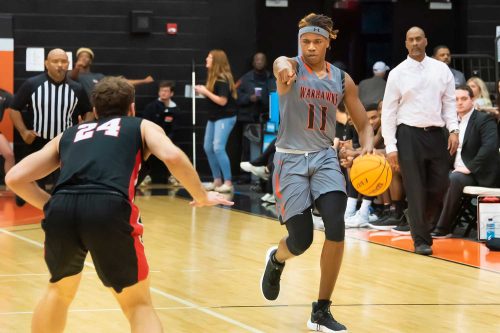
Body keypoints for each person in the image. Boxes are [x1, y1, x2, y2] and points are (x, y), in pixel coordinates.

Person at [5, 76, 233, 333]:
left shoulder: (69, 133)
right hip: (109, 206)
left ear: (95, 110)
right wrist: (201, 196)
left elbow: (14, 178)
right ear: (132, 107)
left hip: (62, 209)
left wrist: (50, 205)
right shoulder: (141, 125)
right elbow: (171, 155)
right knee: (138, 305)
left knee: (58, 290)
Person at [260, 13, 374, 332]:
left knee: (336, 225)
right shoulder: (291, 66)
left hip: (324, 157)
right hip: (290, 161)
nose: (310, 47)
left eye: (316, 42)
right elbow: (281, 64)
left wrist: (366, 147)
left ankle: (321, 310)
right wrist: (283, 69)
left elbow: (364, 124)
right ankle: (278, 258)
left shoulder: (341, 79)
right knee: (301, 240)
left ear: (327, 42)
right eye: (305, 41)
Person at [382, 27, 459, 256]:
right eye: (410, 40)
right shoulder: (397, 73)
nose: (415, 43)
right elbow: (388, 112)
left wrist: (454, 129)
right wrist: (390, 146)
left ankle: (415, 219)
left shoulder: (441, 69)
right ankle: (421, 240)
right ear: (406, 44)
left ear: (425, 41)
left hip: (437, 134)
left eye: (418, 39)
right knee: (415, 189)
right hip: (408, 134)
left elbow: (449, 103)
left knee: (440, 186)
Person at [10, 49, 92, 204]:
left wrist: (83, 130)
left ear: (68, 64)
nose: (60, 65)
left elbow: (88, 111)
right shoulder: (32, 84)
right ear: (46, 64)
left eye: (64, 61)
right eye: (55, 61)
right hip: (37, 143)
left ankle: (57, 214)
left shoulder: (77, 88)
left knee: (62, 188)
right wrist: (23, 132)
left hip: (65, 144)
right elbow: (14, 109)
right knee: (27, 194)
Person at [431, 85, 499, 238]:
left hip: (479, 173)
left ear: (472, 100)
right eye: (455, 99)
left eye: (463, 99)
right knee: (433, 176)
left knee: (453, 178)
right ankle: (426, 223)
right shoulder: (450, 123)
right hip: (455, 170)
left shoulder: (484, 119)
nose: (459, 103)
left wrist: (470, 167)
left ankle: (443, 228)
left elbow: (490, 147)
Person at [195, 49, 238, 193]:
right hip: (214, 117)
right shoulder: (213, 78)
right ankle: (217, 181)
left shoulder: (222, 79)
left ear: (216, 61)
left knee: (218, 147)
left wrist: (205, 91)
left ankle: (228, 182)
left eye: (210, 57)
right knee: (208, 147)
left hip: (225, 117)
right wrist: (204, 91)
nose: (206, 59)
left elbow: (222, 101)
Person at [236, 52, 276, 172]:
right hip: (249, 119)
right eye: (257, 60)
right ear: (253, 62)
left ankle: (262, 175)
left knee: (266, 146)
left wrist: (263, 98)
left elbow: (276, 95)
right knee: (248, 147)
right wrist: (249, 98)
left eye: (262, 59)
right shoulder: (245, 78)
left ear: (266, 62)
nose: (259, 62)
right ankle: (246, 175)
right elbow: (235, 95)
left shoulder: (271, 78)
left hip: (267, 119)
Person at [70, 47, 154, 98]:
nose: (84, 58)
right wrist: (77, 67)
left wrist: (144, 81)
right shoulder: (71, 74)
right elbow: (73, 77)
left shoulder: (98, 76)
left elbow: (119, 82)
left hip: (94, 111)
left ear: (90, 61)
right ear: (77, 59)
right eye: (81, 56)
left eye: (87, 57)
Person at [140, 80, 180, 184]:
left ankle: (173, 176)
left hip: (167, 139)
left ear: (171, 93)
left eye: (166, 91)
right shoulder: (151, 107)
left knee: (174, 153)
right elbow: (145, 124)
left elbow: (175, 128)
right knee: (144, 154)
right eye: (161, 91)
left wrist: (167, 140)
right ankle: (145, 176)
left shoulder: (175, 109)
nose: (163, 93)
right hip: (151, 138)